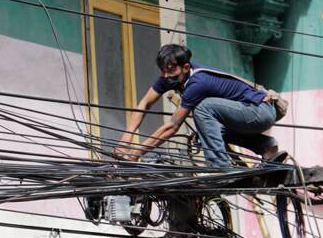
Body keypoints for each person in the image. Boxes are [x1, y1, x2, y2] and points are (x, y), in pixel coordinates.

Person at [115, 44, 281, 166]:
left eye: (171, 70)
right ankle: (264, 145)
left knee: (203, 108)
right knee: (209, 130)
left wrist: (136, 152)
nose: (165, 76)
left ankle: (220, 167)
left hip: (258, 110)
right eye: (162, 71)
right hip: (247, 113)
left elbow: (172, 127)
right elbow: (145, 102)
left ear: (186, 67)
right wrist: (127, 136)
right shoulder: (170, 77)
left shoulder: (198, 83)